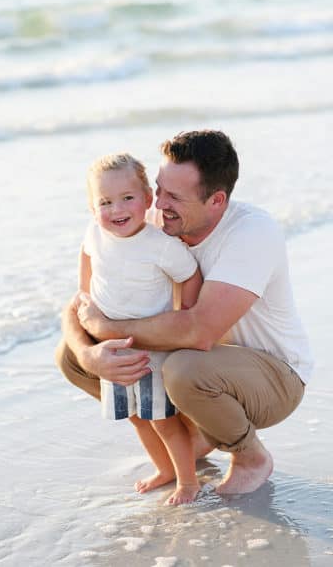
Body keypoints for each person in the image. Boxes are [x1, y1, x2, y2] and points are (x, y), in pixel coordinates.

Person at [56, 130, 312, 494]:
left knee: (183, 369)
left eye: (174, 196)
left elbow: (198, 331)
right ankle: (197, 433)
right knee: (70, 355)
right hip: (204, 365)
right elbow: (81, 303)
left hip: (274, 376)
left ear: (217, 201)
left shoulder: (252, 233)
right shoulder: (153, 225)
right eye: (159, 189)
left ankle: (250, 455)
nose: (159, 204)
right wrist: (88, 352)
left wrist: (108, 327)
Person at [81, 153, 203, 504]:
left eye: (127, 198)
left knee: (162, 419)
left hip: (152, 349)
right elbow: (86, 254)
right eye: (104, 202)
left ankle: (188, 482)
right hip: (114, 349)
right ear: (92, 208)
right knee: (135, 417)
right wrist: (84, 291)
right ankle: (164, 469)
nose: (116, 208)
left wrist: (186, 314)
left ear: (148, 199)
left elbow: (190, 274)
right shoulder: (94, 232)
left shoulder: (160, 245)